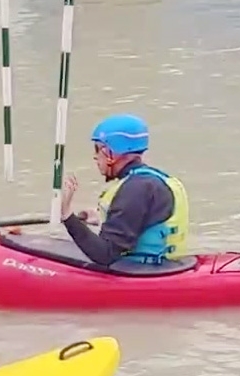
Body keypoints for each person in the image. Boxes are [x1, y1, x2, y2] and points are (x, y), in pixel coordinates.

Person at [59, 114, 189, 268]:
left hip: (143, 273)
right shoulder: (152, 180)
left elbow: (105, 255)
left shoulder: (135, 189)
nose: (95, 157)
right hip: (168, 266)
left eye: (98, 149)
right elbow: (139, 218)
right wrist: (100, 217)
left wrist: (67, 215)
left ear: (110, 152)